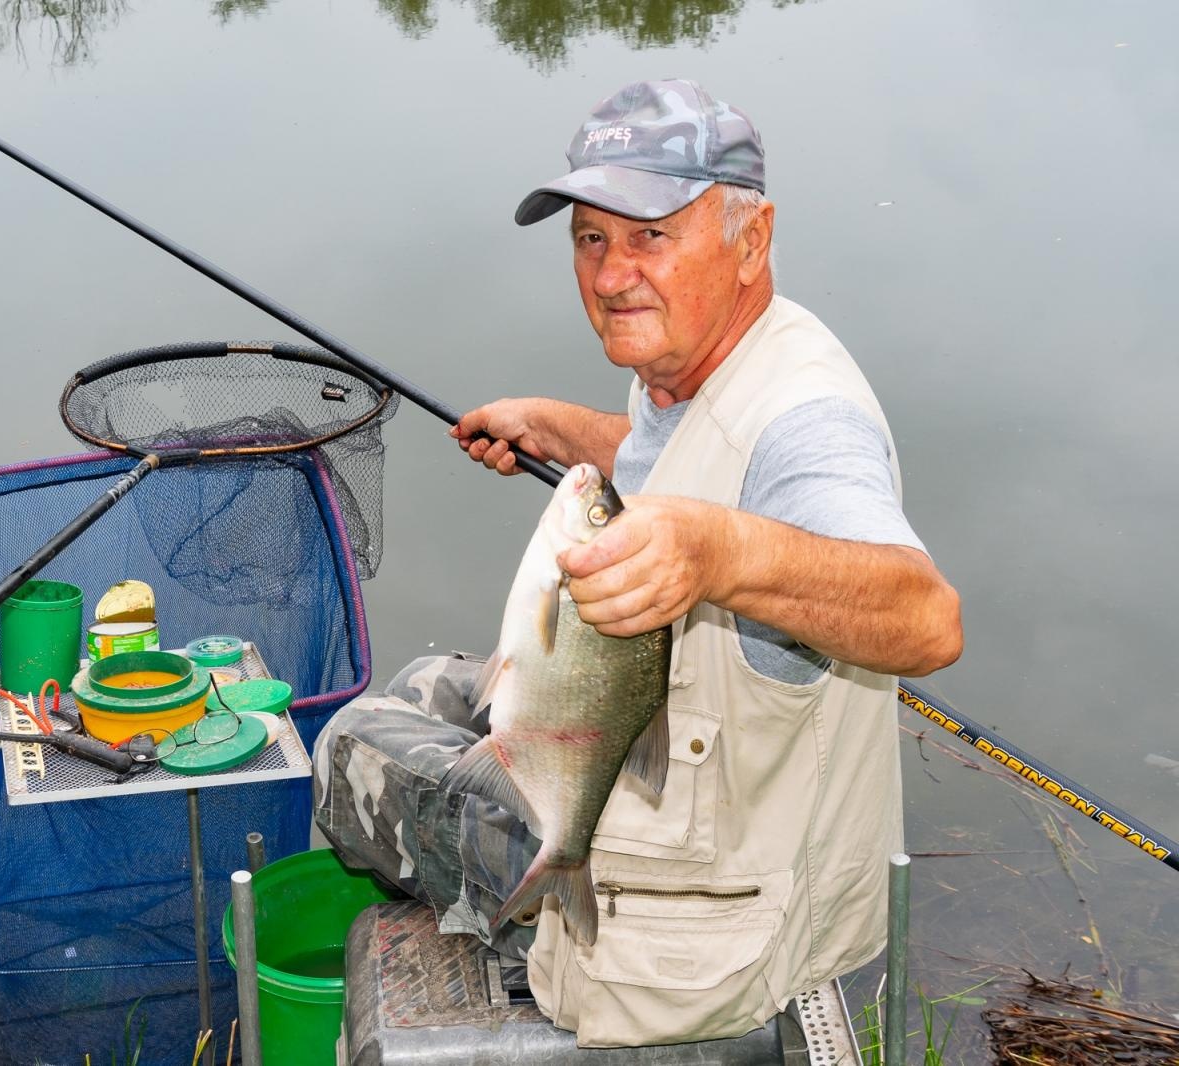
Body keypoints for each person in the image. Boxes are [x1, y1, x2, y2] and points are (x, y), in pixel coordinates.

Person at [312, 79, 962, 1047]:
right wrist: (563, 427)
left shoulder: (809, 427)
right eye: (590, 240)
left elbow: (926, 618)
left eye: (650, 236)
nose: (613, 274)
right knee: (421, 684)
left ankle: (541, 896)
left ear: (751, 238)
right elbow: (685, 452)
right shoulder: (706, 354)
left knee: (350, 744)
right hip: (676, 753)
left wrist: (718, 551)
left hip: (712, 889)